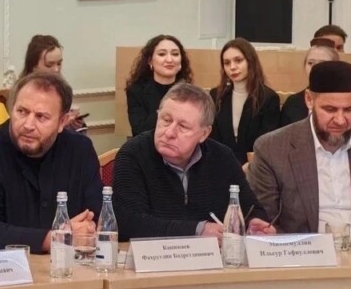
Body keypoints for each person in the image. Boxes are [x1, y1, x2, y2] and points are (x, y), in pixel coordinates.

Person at [0, 72, 101, 252]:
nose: (28, 125)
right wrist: (53, 239)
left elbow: (95, 216)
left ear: (62, 122)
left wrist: (84, 230)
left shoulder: (80, 150)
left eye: (41, 117)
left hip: (70, 263)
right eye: (22, 112)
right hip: (1, 266)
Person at [112, 83, 274, 239]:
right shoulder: (133, 154)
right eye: (166, 120)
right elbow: (127, 223)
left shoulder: (222, 157)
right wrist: (197, 230)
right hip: (152, 256)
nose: (169, 133)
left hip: (213, 256)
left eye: (183, 127)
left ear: (204, 134)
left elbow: (251, 208)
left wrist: (254, 222)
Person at [250, 60, 351, 234]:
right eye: (330, 109)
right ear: (309, 99)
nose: (340, 120)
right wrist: (271, 234)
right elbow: (265, 219)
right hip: (303, 248)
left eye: (349, 109)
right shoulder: (272, 149)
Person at [209, 38, 280, 164]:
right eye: (227, 63)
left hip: (254, 166)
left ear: (250, 62)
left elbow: (267, 142)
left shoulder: (268, 98)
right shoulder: (216, 95)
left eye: (238, 60)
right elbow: (213, 138)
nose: (232, 67)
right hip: (221, 165)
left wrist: (248, 166)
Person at [124, 34, 193, 136]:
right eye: (162, 54)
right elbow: (140, 130)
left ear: (181, 62)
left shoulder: (190, 92)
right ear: (150, 61)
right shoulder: (136, 91)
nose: (169, 60)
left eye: (175, 54)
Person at [21, 34, 85, 131]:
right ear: (33, 66)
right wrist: (61, 124)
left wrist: (73, 124)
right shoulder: (23, 93)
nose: (56, 69)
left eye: (59, 64)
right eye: (49, 65)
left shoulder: (63, 90)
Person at [280, 41, 339, 126]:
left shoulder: (346, 102)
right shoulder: (293, 102)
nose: (315, 68)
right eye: (310, 63)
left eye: (323, 63)